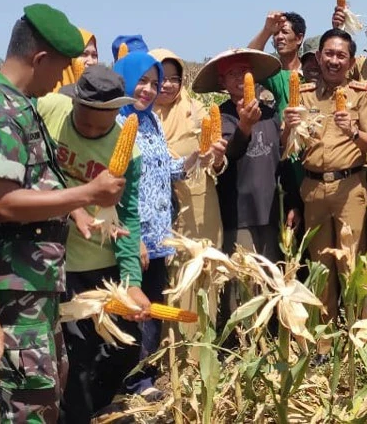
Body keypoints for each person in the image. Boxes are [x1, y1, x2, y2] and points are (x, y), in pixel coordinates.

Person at [0, 4, 127, 423]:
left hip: (36, 286)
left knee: (48, 391)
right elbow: (5, 201)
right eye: (58, 70)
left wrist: (77, 213)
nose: (60, 81)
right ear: (39, 59)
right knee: (26, 403)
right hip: (14, 291)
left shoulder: (23, 106)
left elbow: (39, 181)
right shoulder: (0, 112)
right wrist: (87, 193)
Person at [37, 67, 148, 422]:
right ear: (74, 103)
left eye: (104, 126)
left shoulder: (127, 148)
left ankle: (94, 406)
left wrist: (132, 281)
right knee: (78, 359)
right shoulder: (50, 111)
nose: (95, 132)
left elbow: (129, 215)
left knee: (128, 348)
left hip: (106, 266)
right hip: (62, 263)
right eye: (86, 125)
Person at [112, 50, 214, 400]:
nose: (148, 90)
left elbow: (167, 168)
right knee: (132, 311)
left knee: (152, 308)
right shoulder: (116, 120)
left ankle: (146, 375)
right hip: (133, 236)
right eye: (141, 82)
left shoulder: (151, 120)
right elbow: (117, 183)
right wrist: (134, 238)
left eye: (154, 84)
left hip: (159, 236)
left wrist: (198, 155)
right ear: (125, 79)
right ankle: (128, 381)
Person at [284, 29, 367, 316]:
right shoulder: (304, 96)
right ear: (318, 57)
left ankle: (358, 332)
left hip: (349, 187)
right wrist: (289, 125)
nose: (334, 60)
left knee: (351, 263)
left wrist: (351, 131)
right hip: (313, 189)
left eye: (341, 55)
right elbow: (288, 146)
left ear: (351, 62)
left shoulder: (362, 96)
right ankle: (323, 340)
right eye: (329, 53)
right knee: (319, 266)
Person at [191, 48, 294, 262]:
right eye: (232, 73)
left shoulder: (270, 114)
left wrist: (292, 203)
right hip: (239, 215)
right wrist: (245, 126)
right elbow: (227, 156)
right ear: (223, 82)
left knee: (270, 283)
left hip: (271, 212)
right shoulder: (222, 115)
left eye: (245, 71)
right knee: (242, 284)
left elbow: (282, 160)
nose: (240, 77)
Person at [151, 48, 224, 246]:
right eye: (161, 78)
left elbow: (215, 161)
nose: (167, 85)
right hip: (156, 207)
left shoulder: (195, 110)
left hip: (197, 205)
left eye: (174, 78)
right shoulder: (138, 115)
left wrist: (216, 158)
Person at [248, 11, 307, 116]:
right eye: (275, 33)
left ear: (299, 38)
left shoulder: (310, 73)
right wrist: (267, 30)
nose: (279, 37)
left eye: (285, 32)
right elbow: (249, 57)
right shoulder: (272, 73)